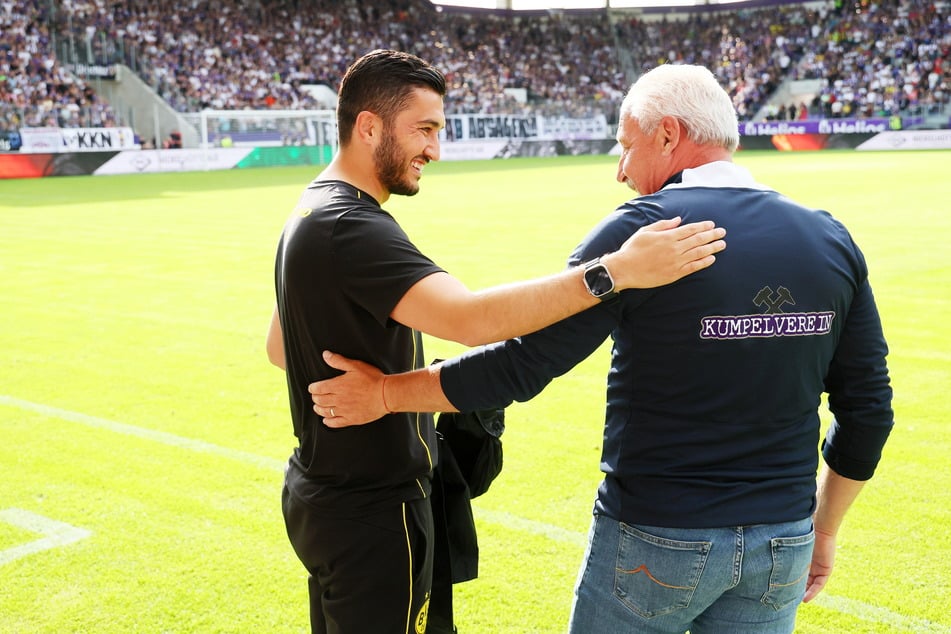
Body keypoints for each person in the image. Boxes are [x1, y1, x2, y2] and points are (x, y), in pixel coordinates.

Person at [308, 63, 894, 634]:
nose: (620, 170)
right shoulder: (829, 237)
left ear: (668, 134)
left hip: (656, 535)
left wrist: (387, 394)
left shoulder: (640, 236)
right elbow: (868, 409)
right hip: (783, 540)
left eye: (625, 146)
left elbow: (519, 366)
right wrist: (825, 528)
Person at [266, 51, 727, 634]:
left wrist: (380, 373)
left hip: (321, 496)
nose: (435, 149)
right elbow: (472, 319)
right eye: (425, 129)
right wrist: (615, 271)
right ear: (369, 126)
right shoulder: (352, 226)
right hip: (372, 506)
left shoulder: (309, 210)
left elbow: (282, 348)